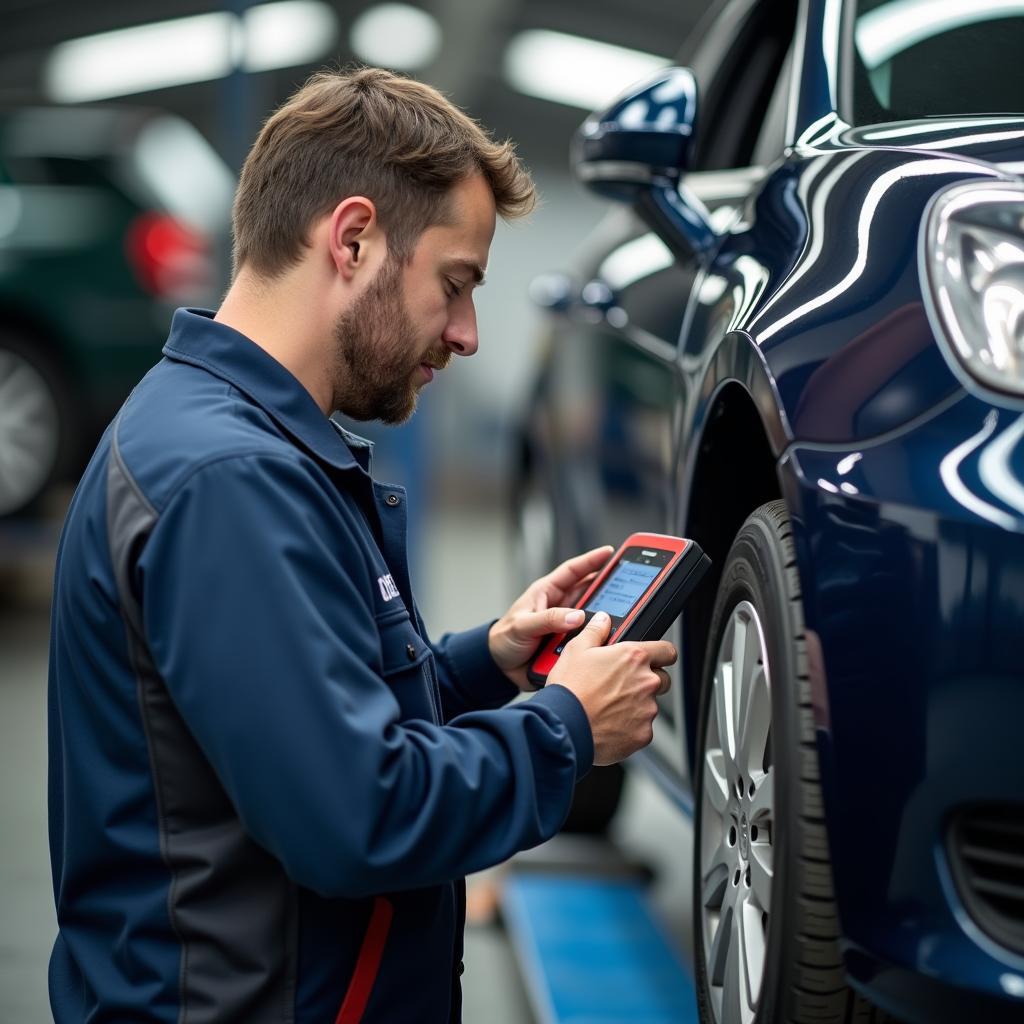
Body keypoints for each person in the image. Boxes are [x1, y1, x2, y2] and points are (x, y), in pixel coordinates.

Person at [47, 66, 676, 1023]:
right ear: (352, 240)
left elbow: (298, 713)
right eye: (455, 284)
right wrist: (567, 730)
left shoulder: (245, 444)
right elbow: (360, 818)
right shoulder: (231, 483)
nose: (467, 333)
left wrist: (486, 661)